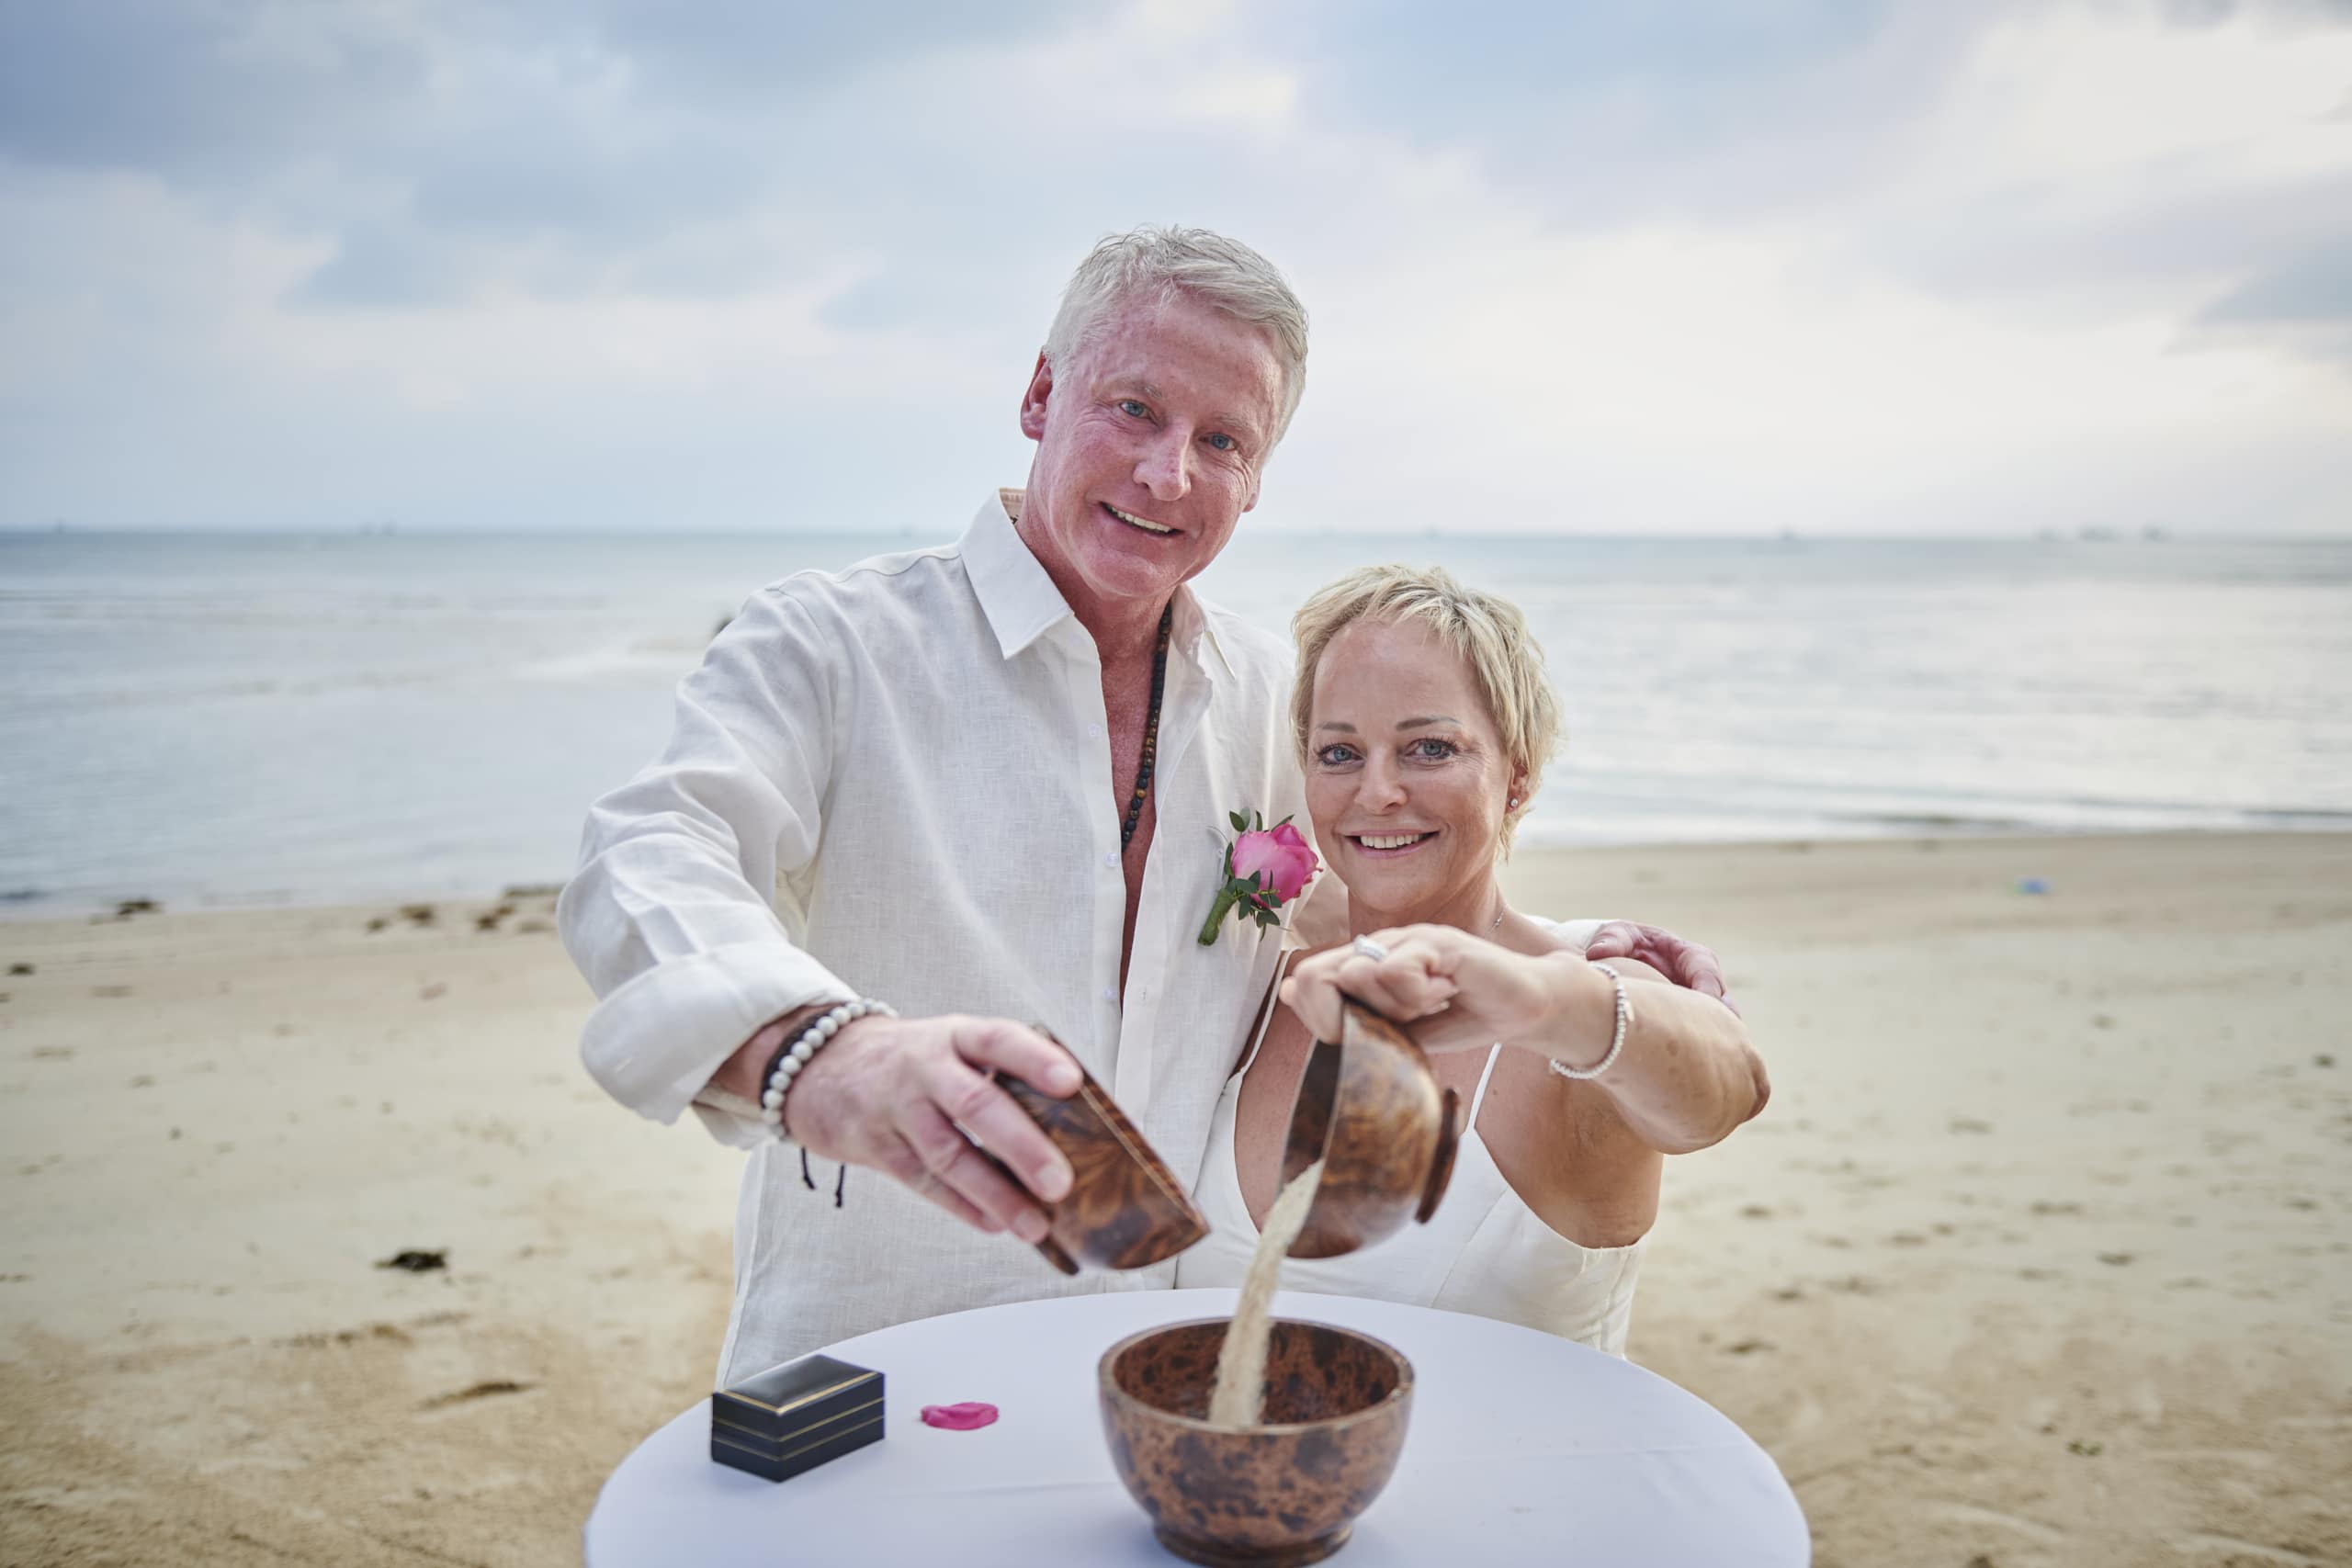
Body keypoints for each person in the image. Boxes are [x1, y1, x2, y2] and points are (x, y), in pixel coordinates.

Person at [556, 226, 1728, 1381]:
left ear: (1255, 482)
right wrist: (817, 1053)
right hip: (865, 1371)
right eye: (1134, 409)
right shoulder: (832, 644)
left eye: (1222, 440)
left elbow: (1355, 889)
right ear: (1039, 395)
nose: (1169, 474)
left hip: (1154, 1403)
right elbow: (650, 853)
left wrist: (1570, 955)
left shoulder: (1273, 699)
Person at [1175, 565, 1769, 1354]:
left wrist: (1540, 1002)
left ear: (1517, 775)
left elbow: (1726, 1091)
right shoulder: (1263, 992)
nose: (1378, 791)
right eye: (1340, 752)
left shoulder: (1577, 990)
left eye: (1429, 747)